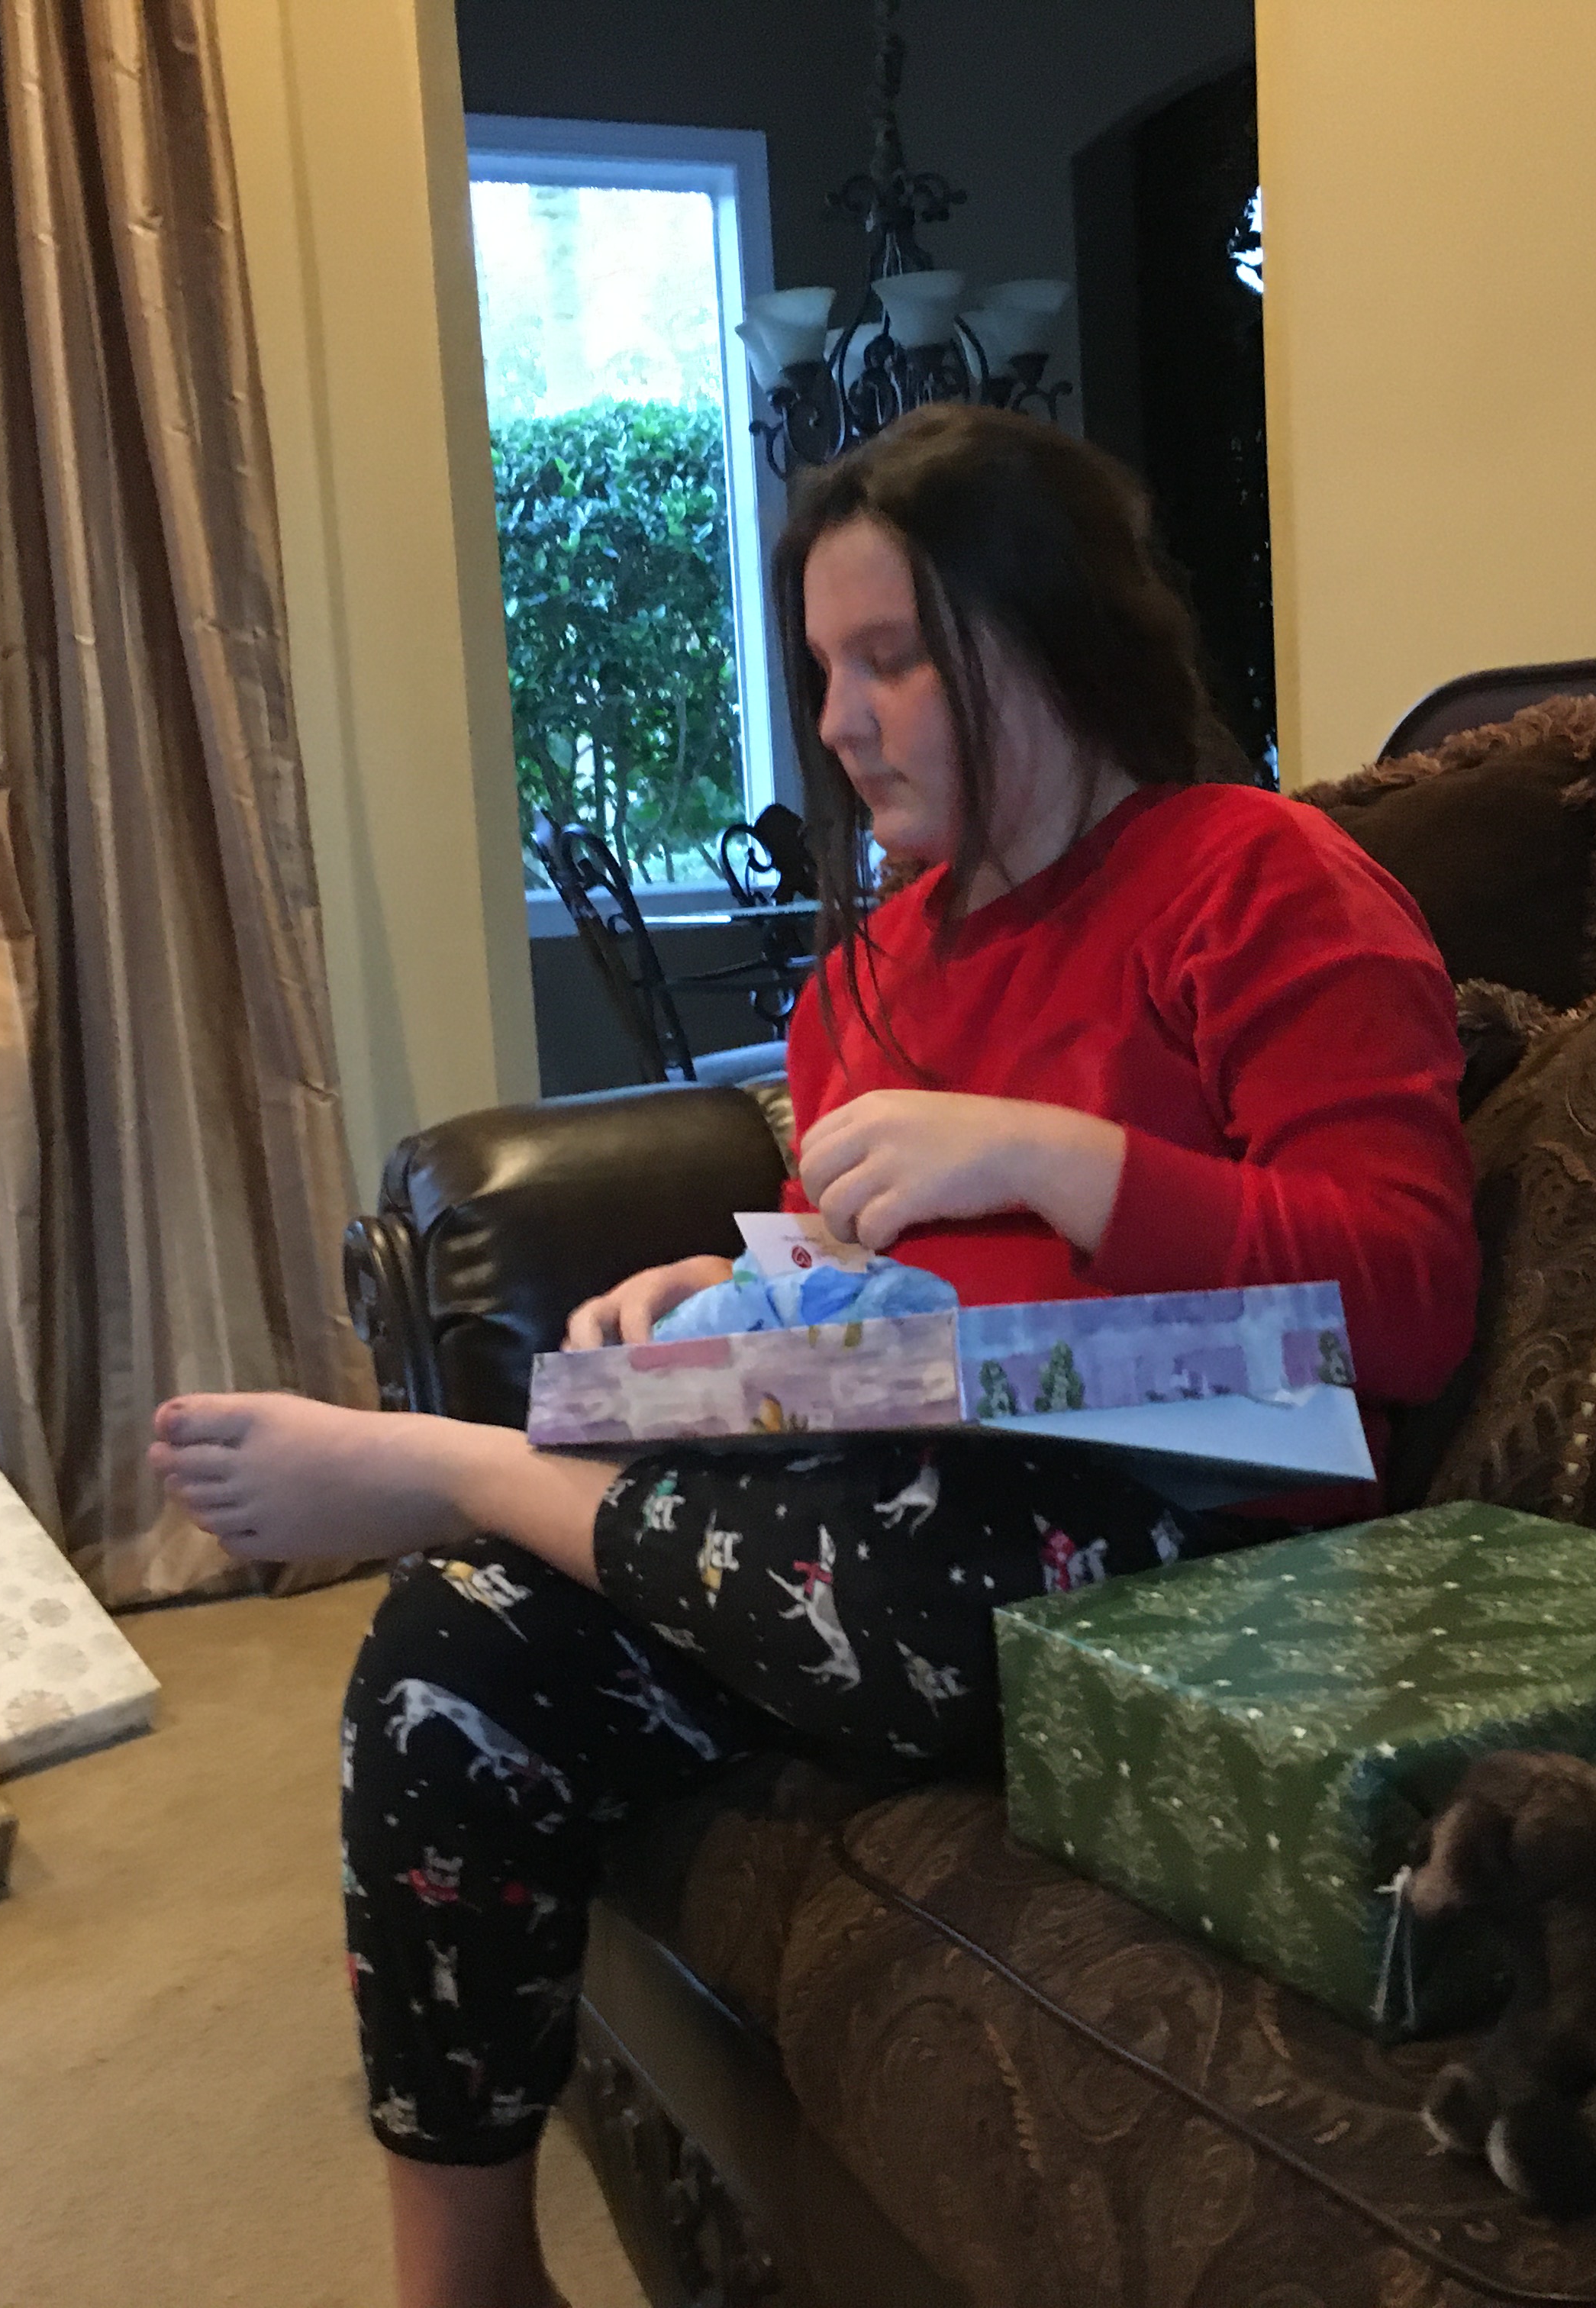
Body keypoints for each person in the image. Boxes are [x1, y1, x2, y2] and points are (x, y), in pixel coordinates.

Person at [150, 404, 1478, 2308]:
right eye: (823, 670)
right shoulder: (866, 977)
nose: (840, 723)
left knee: (904, 1554)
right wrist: (714, 1285)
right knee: (455, 1647)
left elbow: (1410, 1296)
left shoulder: (1260, 877)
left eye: (894, 659)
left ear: (1049, 636)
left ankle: (458, 1465)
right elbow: (865, 1286)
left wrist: (1057, 1157)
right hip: (869, 1505)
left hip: (1190, 1529)